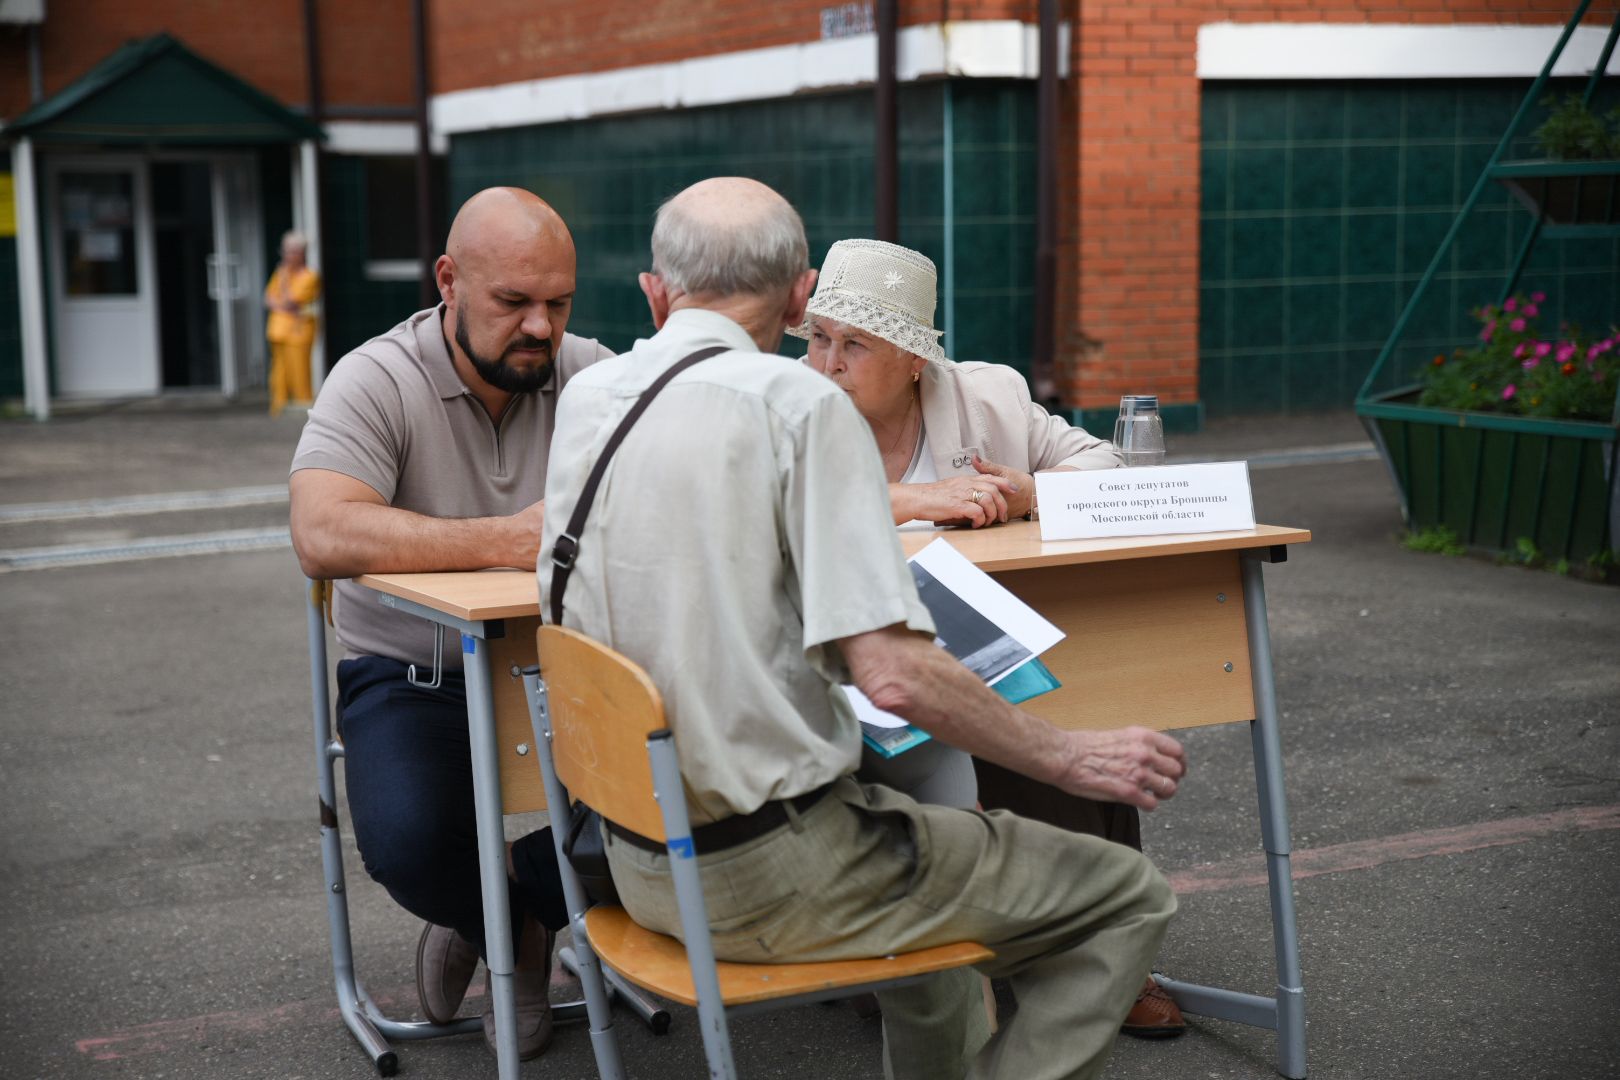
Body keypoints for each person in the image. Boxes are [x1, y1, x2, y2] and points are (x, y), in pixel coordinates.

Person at [538, 176, 1187, 1080]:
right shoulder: (798, 407)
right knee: (1128, 894)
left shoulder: (592, 399)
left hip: (637, 863)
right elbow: (896, 677)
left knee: (939, 965)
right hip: (773, 868)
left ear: (655, 291)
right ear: (802, 296)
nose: (831, 359)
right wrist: (1074, 758)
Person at [794, 238, 1186, 1038]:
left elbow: (1112, 466)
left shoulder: (989, 399)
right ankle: (912, 950)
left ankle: (1104, 949)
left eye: (853, 343)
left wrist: (1031, 491)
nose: (826, 362)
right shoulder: (790, 408)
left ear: (913, 360)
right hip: (845, 661)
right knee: (922, 734)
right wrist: (914, 500)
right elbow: (771, 511)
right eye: (817, 337)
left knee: (1076, 704)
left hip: (984, 639)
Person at [289, 187, 612, 1061]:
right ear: (450, 282)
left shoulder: (593, 374)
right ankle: (510, 926)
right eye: (514, 302)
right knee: (410, 843)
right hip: (415, 671)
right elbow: (321, 532)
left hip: (569, 662)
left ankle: (520, 907)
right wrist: (499, 542)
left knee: (705, 798)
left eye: (558, 302)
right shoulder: (377, 376)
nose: (541, 327)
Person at [264, 230, 323, 416]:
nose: (287, 256)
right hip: (278, 329)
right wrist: (282, 306)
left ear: (301, 253)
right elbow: (268, 298)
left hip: (299, 331)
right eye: (285, 251)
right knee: (279, 372)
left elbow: (292, 300)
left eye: (291, 251)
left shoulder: (309, 277)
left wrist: (283, 284)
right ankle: (278, 407)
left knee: (299, 371)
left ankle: (301, 408)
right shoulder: (280, 273)